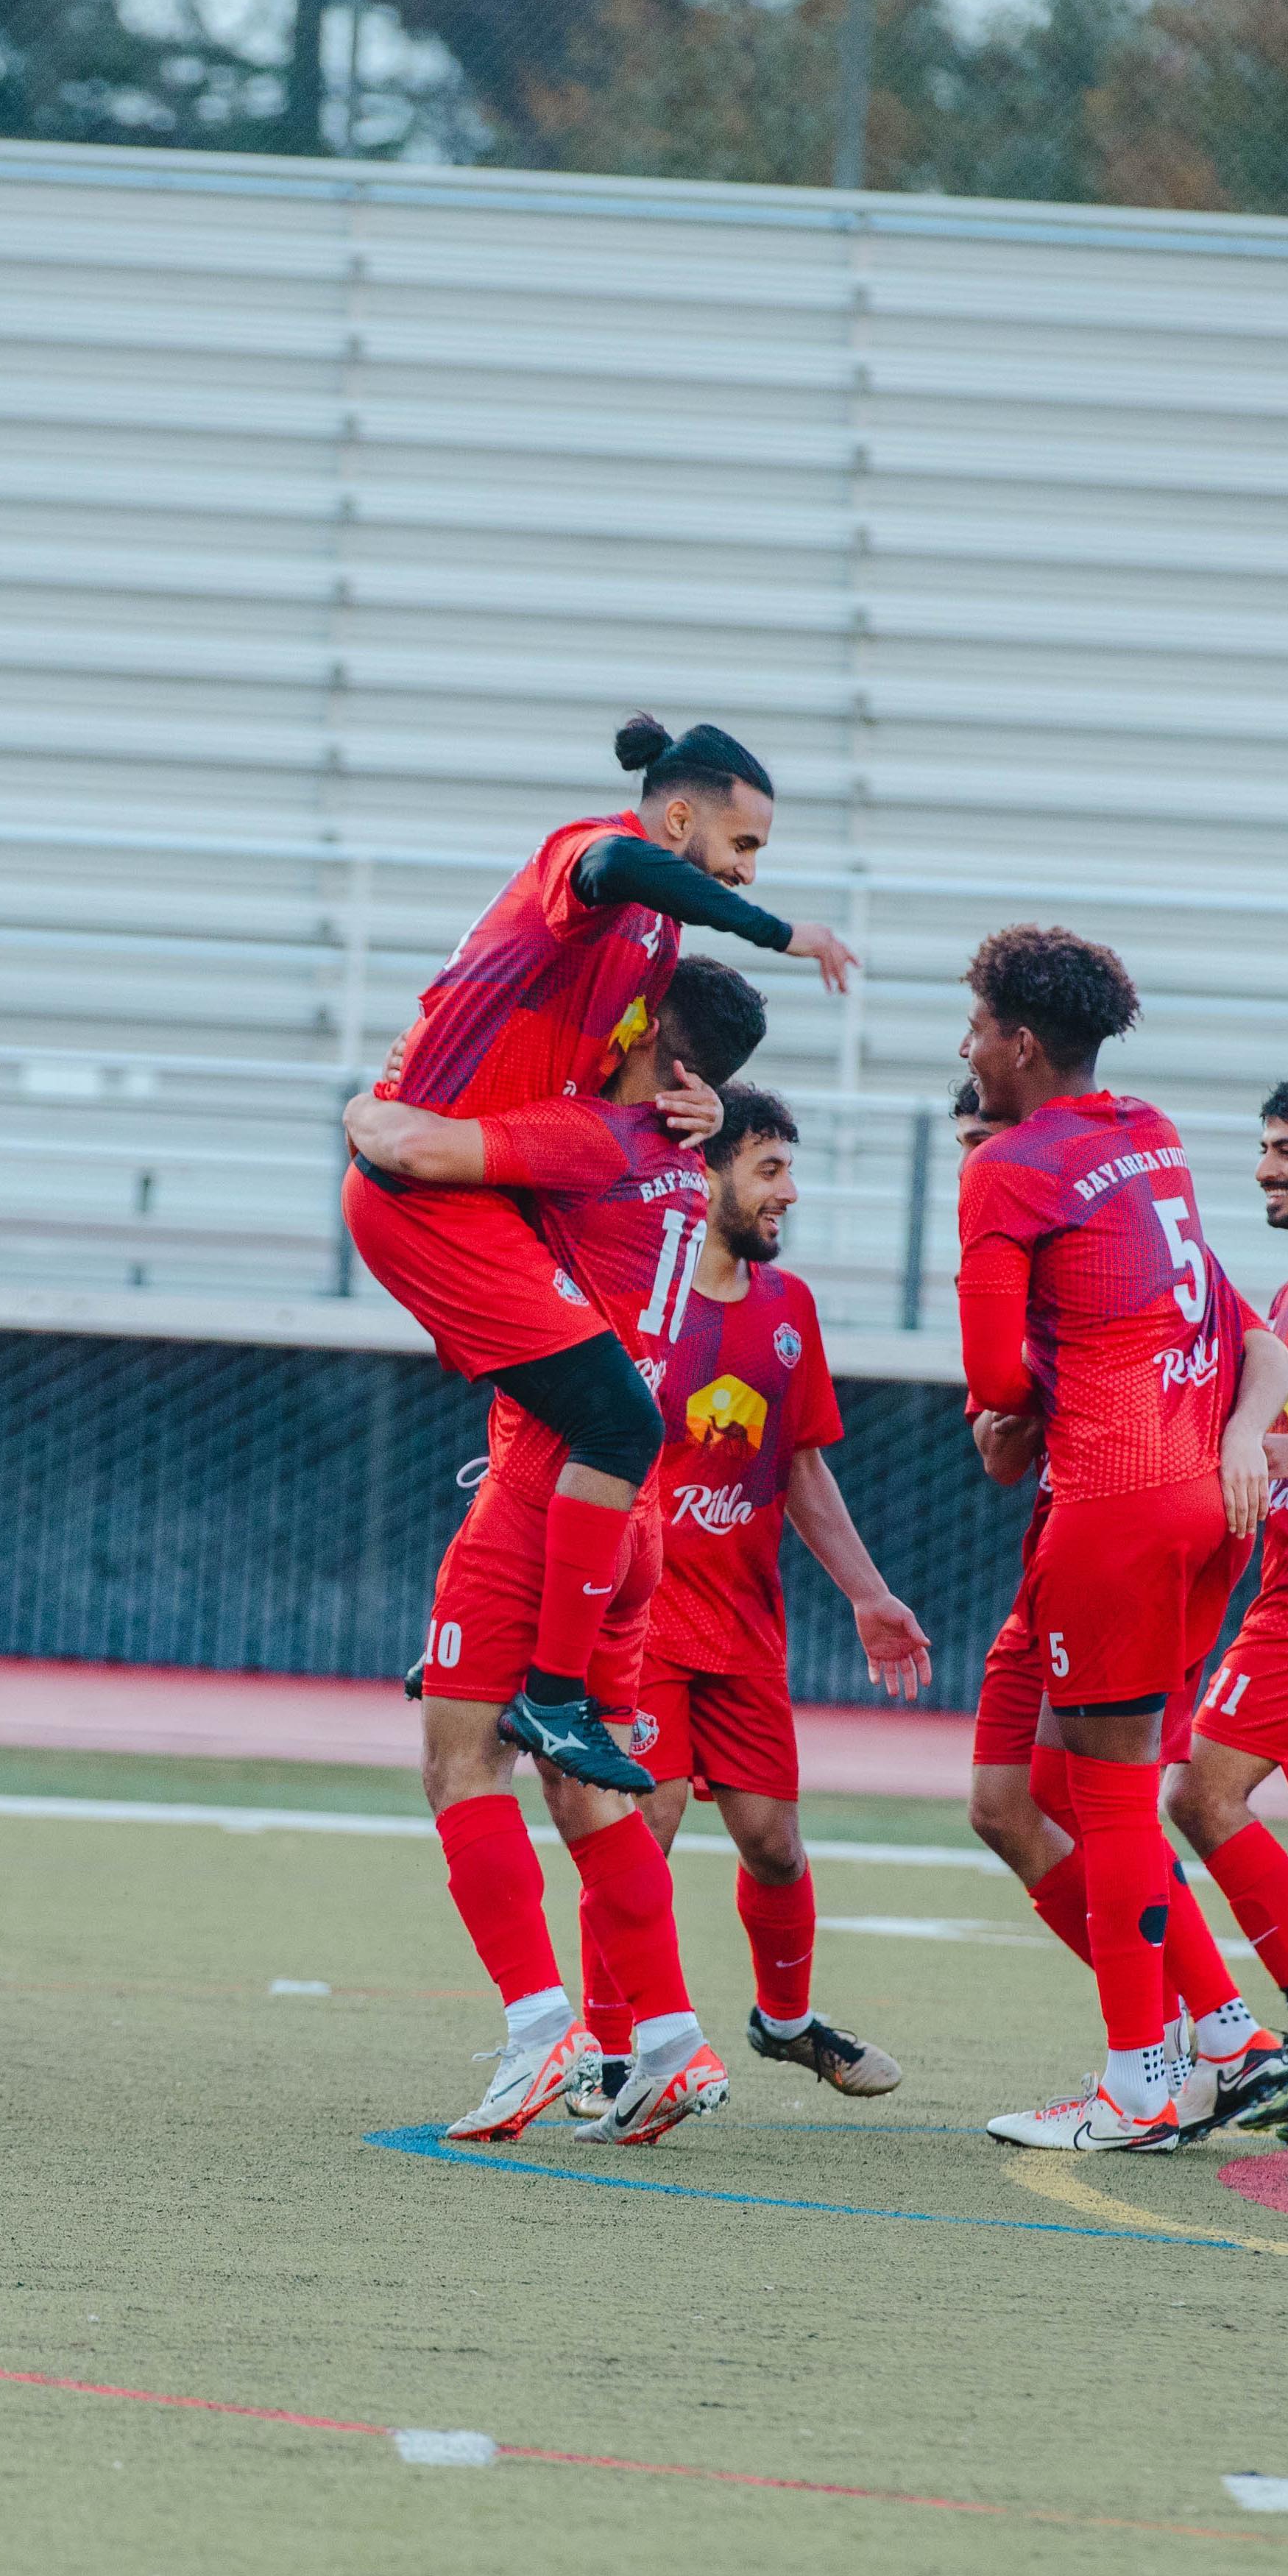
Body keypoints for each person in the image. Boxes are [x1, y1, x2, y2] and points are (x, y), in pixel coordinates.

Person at [342, 714, 857, 1794]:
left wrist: (702, 1101)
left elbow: (617, 1051)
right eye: (743, 844)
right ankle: (555, 1693)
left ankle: (487, 1653)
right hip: (430, 1178)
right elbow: (616, 861)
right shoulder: (590, 861)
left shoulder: (653, 954)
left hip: (486, 1179)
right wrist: (774, 928)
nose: (747, 866)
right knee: (619, 1418)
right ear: (680, 816)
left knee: (577, 1415)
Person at [344, 961, 773, 2147]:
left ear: (649, 1033)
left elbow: (411, 1147)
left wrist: (366, 1096)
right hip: (633, 1518)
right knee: (585, 1795)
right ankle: (671, 2044)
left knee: (460, 1769)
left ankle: (543, 2037)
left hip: (540, 1496)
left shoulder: (590, 1136)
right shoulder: (683, 1164)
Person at [954, 931, 1288, 2153]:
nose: (967, 1045)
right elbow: (1231, 1323)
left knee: (1103, 1799)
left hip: (1114, 1505)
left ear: (1023, 1043)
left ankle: (1145, 2080)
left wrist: (1028, 1393)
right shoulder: (1146, 1133)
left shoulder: (1007, 1171)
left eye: (978, 1024)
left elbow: (994, 1378)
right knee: (1017, 1796)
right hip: (1186, 1503)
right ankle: (1222, 2041)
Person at [594, 1081, 929, 2107]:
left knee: (775, 1849)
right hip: (644, 1625)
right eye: (770, 1169)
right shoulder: (636, 1300)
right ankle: (617, 2056)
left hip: (745, 1630)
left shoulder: (791, 1310)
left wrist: (869, 1597)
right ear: (707, 1174)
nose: (789, 1192)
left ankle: (784, 2025)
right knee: (638, 1835)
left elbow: (802, 1471)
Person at [1164, 1081, 1288, 2058]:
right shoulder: (1287, 1293)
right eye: (1265, 1148)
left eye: (1286, 1150)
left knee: (1197, 1793)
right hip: (1281, 1590)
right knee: (1198, 1793)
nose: (1265, 1170)